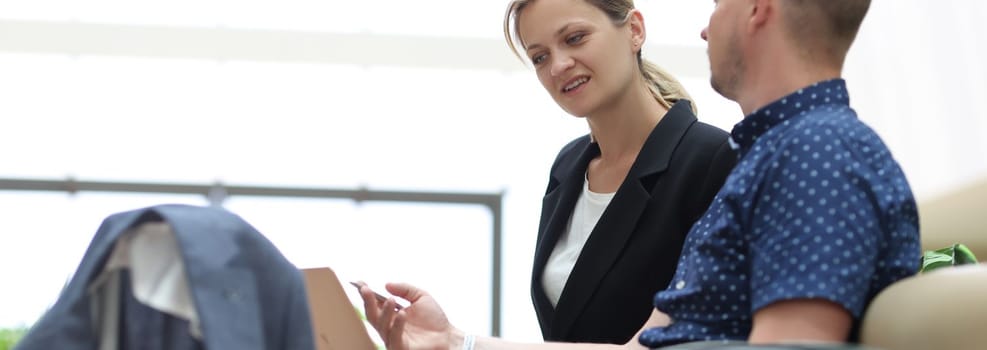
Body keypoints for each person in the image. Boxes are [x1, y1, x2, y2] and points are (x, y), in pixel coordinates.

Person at [358, 0, 921, 349]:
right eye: (538, 56)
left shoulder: (813, 153)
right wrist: (456, 343)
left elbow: (790, 348)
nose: (703, 29)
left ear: (758, 8)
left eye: (719, 1)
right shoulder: (778, 157)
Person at [504, 0, 737, 344]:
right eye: (540, 57)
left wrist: (460, 342)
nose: (557, 66)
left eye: (575, 38)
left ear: (634, 30)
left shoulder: (715, 159)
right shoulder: (567, 166)